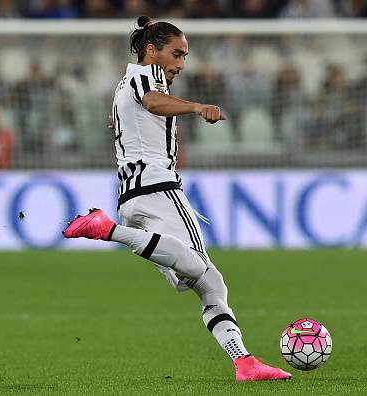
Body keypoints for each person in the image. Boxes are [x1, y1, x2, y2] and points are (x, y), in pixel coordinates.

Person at [63, 16, 291, 382]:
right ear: (151, 50)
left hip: (133, 197)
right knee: (202, 272)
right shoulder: (146, 76)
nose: (181, 64)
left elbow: (136, 115)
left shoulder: (125, 86)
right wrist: (198, 107)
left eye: (184, 56)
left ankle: (244, 363)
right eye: (177, 54)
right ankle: (107, 230)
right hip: (159, 189)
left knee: (202, 281)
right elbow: (154, 102)